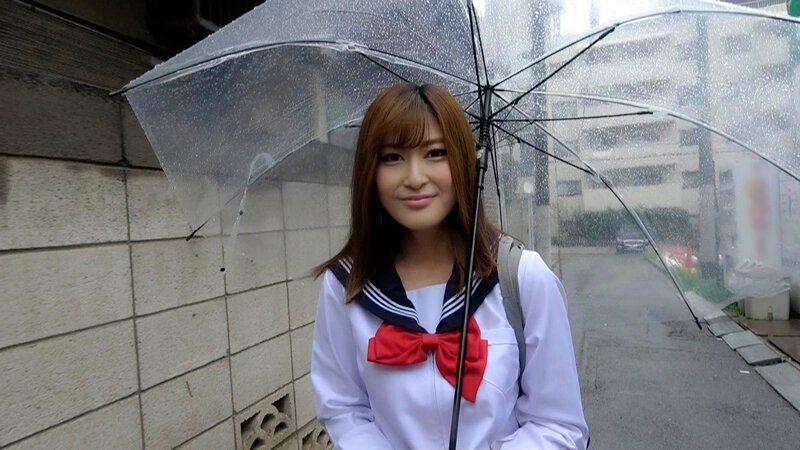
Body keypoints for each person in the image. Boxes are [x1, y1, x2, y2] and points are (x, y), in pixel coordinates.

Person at [310, 82, 588, 449]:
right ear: (369, 172)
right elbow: (345, 410)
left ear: (463, 162)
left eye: (435, 153)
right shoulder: (346, 286)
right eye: (392, 157)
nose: (415, 178)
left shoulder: (523, 278)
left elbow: (558, 424)